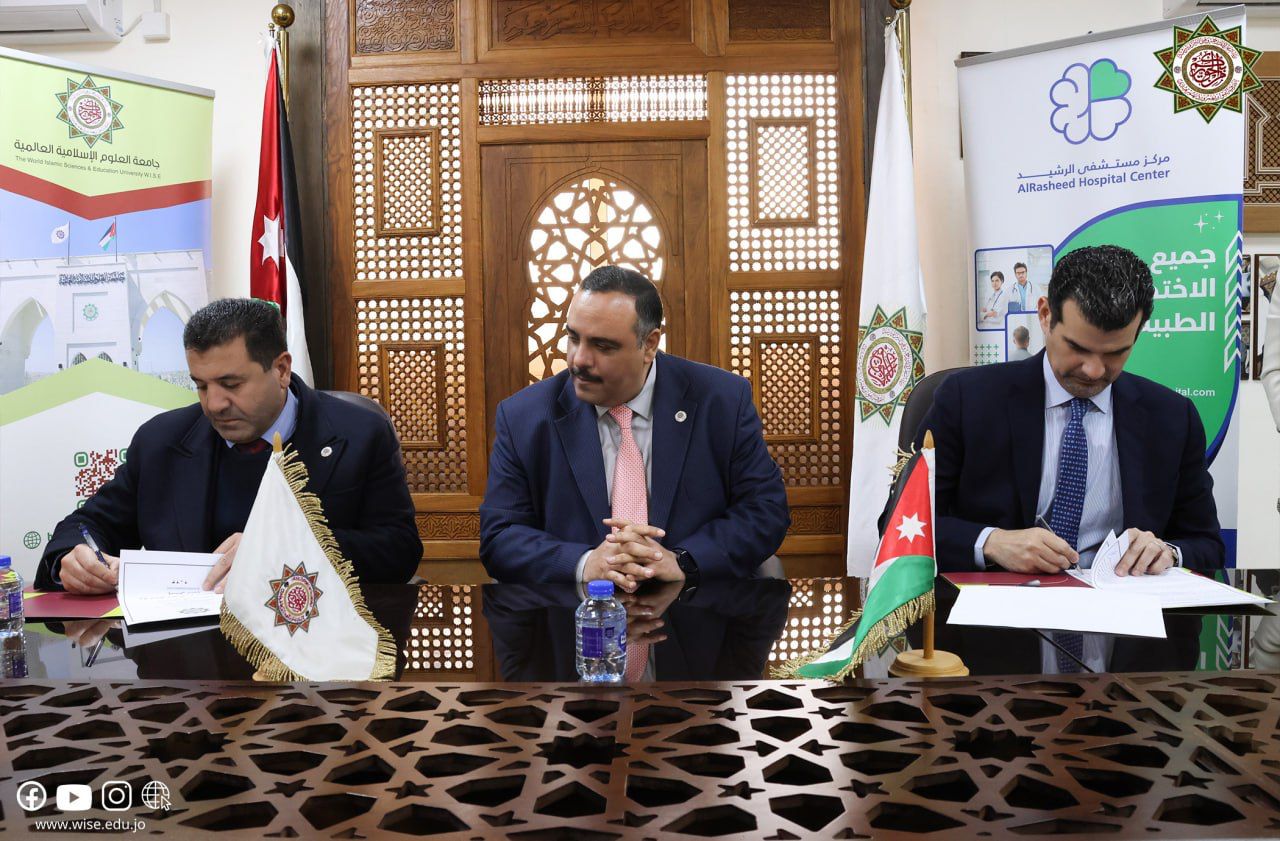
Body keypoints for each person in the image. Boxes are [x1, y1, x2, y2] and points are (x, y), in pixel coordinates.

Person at [916, 245, 1224, 672]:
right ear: (1045, 315)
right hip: (991, 658)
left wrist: (1167, 552)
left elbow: (1206, 542)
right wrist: (992, 542)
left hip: (1129, 660)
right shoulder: (968, 401)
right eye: (1077, 347)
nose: (1094, 371)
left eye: (1115, 353)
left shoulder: (1172, 418)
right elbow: (900, 526)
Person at [36, 298, 421, 594]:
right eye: (201, 385)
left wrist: (289, 547)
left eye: (231, 384)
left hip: (314, 651)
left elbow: (398, 551)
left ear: (281, 369)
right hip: (189, 656)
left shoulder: (358, 433)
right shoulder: (162, 442)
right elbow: (86, 526)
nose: (214, 404)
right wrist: (73, 559)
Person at [480, 266, 790, 590]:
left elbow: (765, 512)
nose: (579, 360)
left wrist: (682, 560)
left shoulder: (722, 401)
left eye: (603, 346)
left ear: (649, 344)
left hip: (696, 606)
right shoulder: (524, 417)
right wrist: (586, 563)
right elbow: (500, 537)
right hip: (573, 612)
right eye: (573, 338)